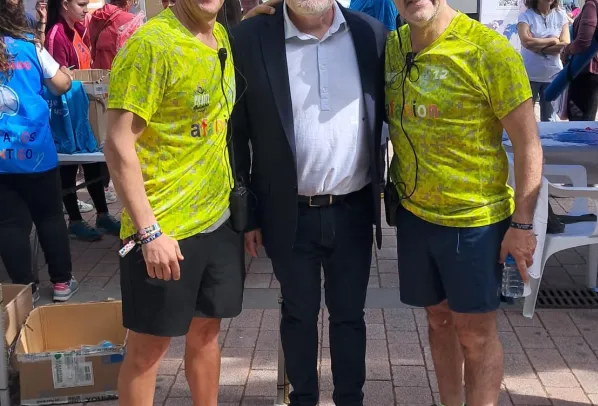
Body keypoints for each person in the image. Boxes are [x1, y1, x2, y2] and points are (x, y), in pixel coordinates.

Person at [385, 0, 542, 405]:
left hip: (475, 221)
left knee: (475, 333)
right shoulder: (393, 46)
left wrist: (522, 224)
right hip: (415, 216)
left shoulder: (488, 50)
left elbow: (528, 144)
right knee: (438, 320)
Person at [231, 0, 386, 404]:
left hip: (353, 209)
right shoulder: (249, 38)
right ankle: (302, 399)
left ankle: (350, 399)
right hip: (287, 212)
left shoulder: (370, 34)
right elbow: (236, 130)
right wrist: (248, 213)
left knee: (350, 316)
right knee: (298, 315)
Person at [104, 0, 244, 402]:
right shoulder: (150, 46)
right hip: (164, 230)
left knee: (206, 333)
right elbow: (117, 144)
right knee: (148, 350)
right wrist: (149, 232)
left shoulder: (220, 34)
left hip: (218, 219)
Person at [0, 0, 80, 302]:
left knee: (9, 223)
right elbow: (61, 85)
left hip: (2, 159)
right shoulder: (30, 47)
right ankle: (61, 283)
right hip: (37, 154)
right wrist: (66, 74)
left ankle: (24, 289)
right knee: (49, 217)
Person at [45, 0, 121, 241]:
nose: (86, 9)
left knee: (93, 164)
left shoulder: (78, 30)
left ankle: (102, 214)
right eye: (80, 4)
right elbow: (55, 81)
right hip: (67, 115)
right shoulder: (56, 35)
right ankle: (75, 221)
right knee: (68, 167)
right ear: (64, 4)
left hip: (85, 111)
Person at [517, 0, 570, 122]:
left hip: (553, 76)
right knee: (527, 119)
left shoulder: (561, 15)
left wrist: (537, 47)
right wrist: (553, 41)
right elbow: (526, 42)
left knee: (550, 120)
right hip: (530, 75)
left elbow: (565, 45)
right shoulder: (526, 16)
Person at [561, 0, 598, 121]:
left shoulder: (592, 5)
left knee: (578, 119)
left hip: (586, 67)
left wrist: (566, 51)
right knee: (588, 117)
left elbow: (582, 42)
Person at [89, 0, 143, 69]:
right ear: (127, 1)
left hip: (98, 70)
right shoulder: (132, 20)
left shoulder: (96, 17)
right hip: (119, 72)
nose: (132, 5)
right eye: (134, 1)